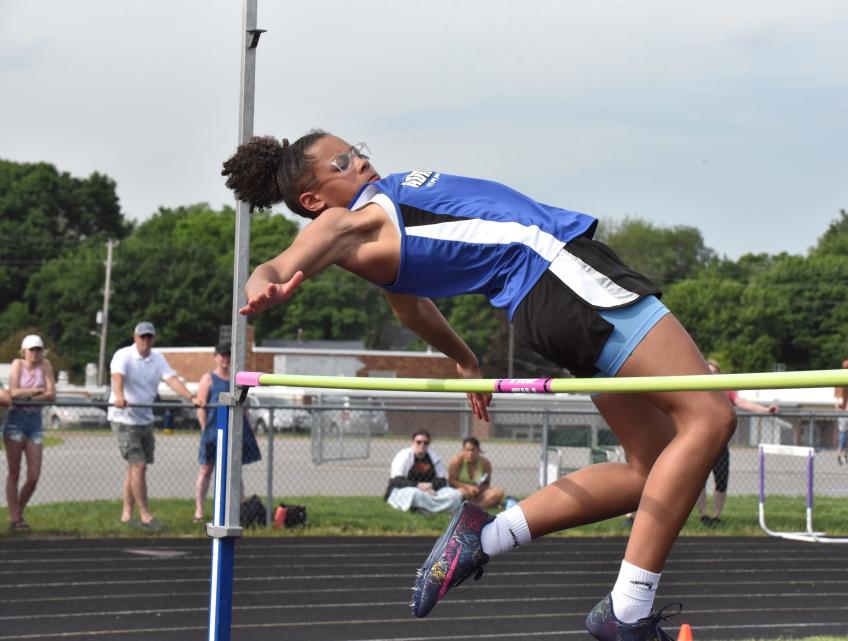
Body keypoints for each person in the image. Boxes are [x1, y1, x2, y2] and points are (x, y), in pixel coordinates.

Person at [224, 130, 736, 639]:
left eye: (358, 151)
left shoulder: (380, 225)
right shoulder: (345, 220)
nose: (359, 162)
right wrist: (263, 286)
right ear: (313, 198)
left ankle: (484, 539)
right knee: (710, 417)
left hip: (546, 303)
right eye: (341, 161)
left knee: (649, 468)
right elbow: (278, 264)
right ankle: (628, 608)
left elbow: (411, 307)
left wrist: (465, 360)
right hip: (562, 271)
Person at [108, 321, 202, 529]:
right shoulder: (123, 355)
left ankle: (126, 514)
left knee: (135, 468)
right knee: (138, 466)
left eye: (149, 337)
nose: (146, 341)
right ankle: (145, 514)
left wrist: (191, 397)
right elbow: (117, 377)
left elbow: (172, 380)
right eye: (142, 337)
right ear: (135, 338)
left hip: (145, 417)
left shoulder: (157, 359)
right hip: (124, 418)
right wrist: (120, 396)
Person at [695, 360, 778, 527]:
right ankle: (703, 515)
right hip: (701, 443)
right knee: (699, 483)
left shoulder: (726, 391)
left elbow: (744, 403)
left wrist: (766, 410)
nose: (712, 375)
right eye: (709, 371)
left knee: (722, 481)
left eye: (715, 372)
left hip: (720, 444)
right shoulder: (697, 389)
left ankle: (716, 516)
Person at [193, 342, 262, 523]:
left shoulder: (236, 380)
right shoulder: (208, 379)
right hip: (213, 431)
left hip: (235, 432)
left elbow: (244, 406)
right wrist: (204, 428)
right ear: (216, 357)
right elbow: (200, 404)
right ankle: (199, 511)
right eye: (222, 355)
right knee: (206, 469)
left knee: (235, 470)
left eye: (228, 355)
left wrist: (248, 427)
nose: (225, 359)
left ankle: (240, 508)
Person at [3, 335, 56, 532]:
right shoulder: (18, 364)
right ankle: (16, 518)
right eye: (31, 350)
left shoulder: (46, 365)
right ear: (24, 351)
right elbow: (13, 392)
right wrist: (36, 390)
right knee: (14, 472)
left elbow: (52, 393)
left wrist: (29, 394)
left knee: (34, 475)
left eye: (38, 350)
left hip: (35, 420)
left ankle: (16, 511)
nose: (35, 354)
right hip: (16, 419)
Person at [384, 430, 464, 514]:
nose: (422, 445)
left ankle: (425, 509)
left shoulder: (434, 458)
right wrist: (419, 486)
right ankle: (439, 509)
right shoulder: (403, 456)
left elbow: (442, 480)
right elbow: (397, 480)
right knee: (416, 495)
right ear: (412, 442)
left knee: (455, 495)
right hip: (407, 490)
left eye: (425, 443)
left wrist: (430, 485)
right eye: (418, 442)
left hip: (431, 491)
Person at [446, 437, 505, 509]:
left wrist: (477, 490)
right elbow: (451, 481)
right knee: (461, 493)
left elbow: (486, 483)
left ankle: (477, 508)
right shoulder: (456, 461)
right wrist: (468, 487)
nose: (470, 453)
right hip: (462, 490)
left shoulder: (485, 463)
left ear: (478, 450)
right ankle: (477, 505)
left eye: (473, 450)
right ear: (463, 450)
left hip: (478, 492)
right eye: (467, 450)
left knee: (498, 492)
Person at [834, 358, 848, 465]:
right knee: (842, 444)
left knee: (845, 445)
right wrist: (847, 401)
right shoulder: (843, 414)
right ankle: (838, 456)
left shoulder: (842, 414)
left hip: (846, 430)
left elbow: (843, 406)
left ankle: (845, 457)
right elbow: (844, 407)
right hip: (843, 431)